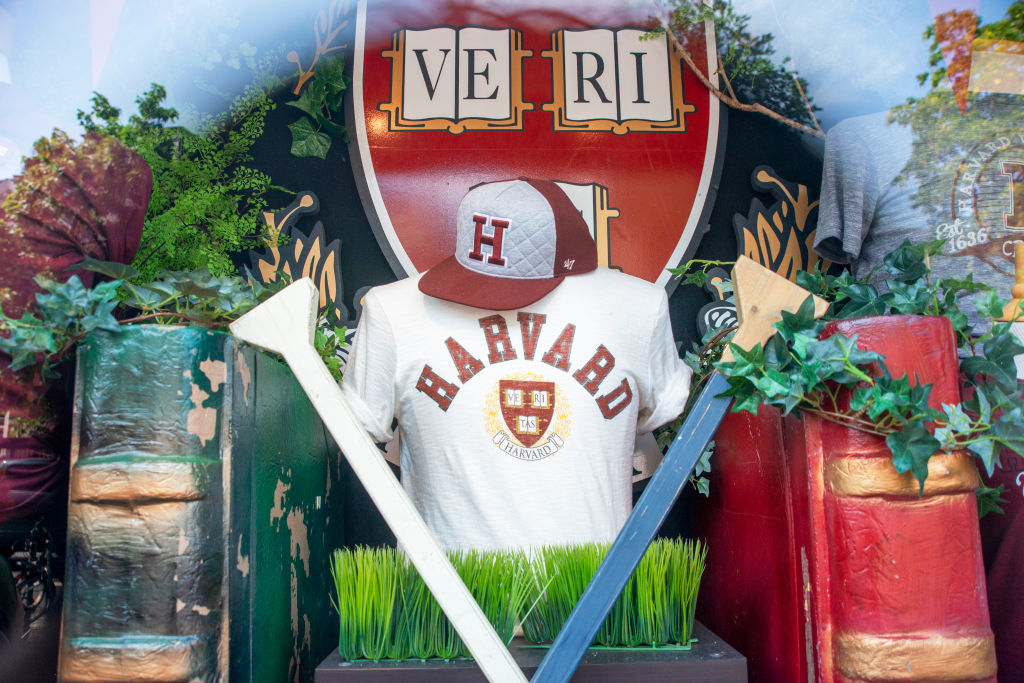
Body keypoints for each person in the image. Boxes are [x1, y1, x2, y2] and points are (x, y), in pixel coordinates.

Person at [342, 178, 691, 551]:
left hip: (596, 597)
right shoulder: (392, 311)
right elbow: (357, 430)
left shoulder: (641, 309)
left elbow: (660, 412)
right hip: (439, 599)